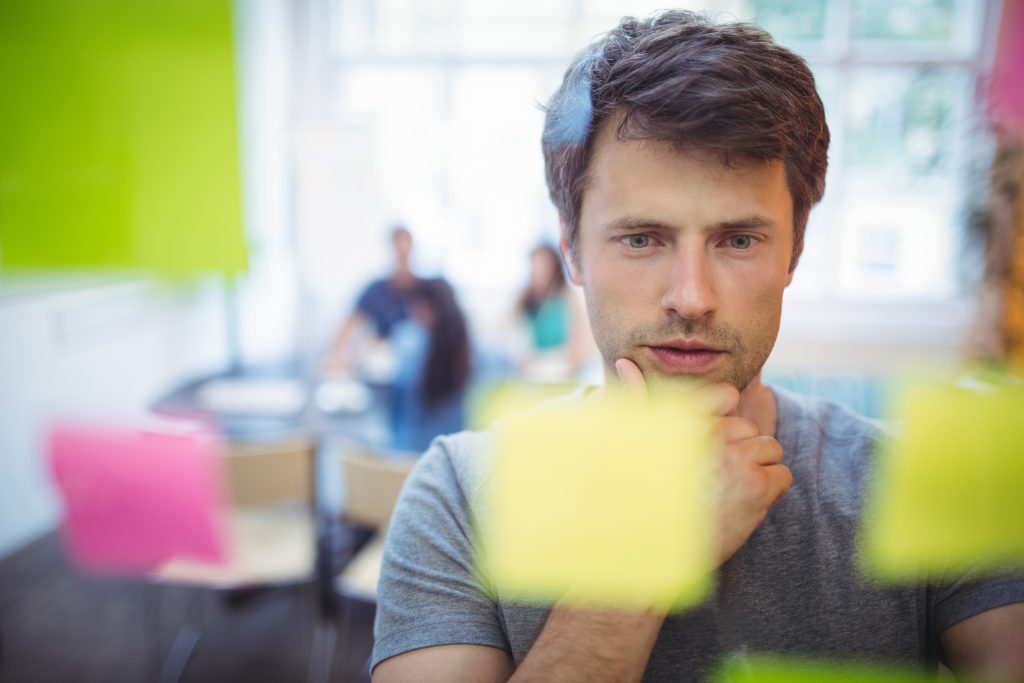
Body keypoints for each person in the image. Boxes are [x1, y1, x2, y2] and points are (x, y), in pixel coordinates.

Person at [371, 11, 1024, 683]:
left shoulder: (915, 478)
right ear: (572, 250)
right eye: (643, 238)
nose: (692, 295)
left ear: (794, 249)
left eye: (738, 240)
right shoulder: (460, 493)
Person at [389, 277, 472, 452]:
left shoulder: (408, 341)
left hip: (405, 460)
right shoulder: (474, 353)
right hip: (453, 458)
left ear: (423, 308)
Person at [325, 225, 422, 375]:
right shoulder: (376, 290)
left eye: (405, 252)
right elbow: (347, 324)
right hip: (384, 366)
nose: (402, 256)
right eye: (398, 251)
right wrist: (337, 353)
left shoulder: (426, 290)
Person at [512, 243, 593, 380]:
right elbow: (512, 339)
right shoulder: (524, 301)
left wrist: (544, 362)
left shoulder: (569, 299)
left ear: (554, 268)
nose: (538, 274)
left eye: (542, 268)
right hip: (528, 374)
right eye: (534, 268)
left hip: (562, 374)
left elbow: (578, 351)